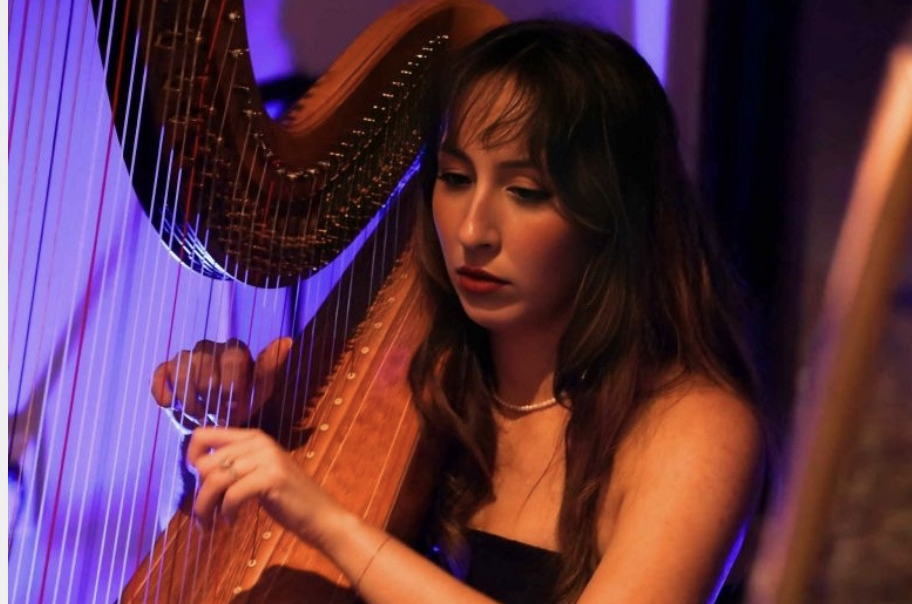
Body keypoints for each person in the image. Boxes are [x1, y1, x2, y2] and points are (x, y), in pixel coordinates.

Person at [153, 18, 771, 604]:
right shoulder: (412, 376)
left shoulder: (696, 429)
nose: (473, 230)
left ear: (612, 216)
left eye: (525, 192)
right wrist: (225, 430)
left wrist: (327, 520)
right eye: (453, 178)